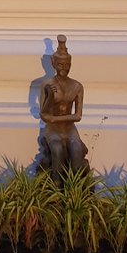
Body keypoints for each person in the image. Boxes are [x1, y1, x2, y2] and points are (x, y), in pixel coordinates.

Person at [39, 34, 88, 175]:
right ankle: (56, 183)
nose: (64, 69)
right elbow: (44, 115)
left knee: (76, 150)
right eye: (60, 64)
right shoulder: (47, 84)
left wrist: (55, 119)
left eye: (67, 65)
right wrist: (50, 98)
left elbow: (78, 116)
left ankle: (76, 184)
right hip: (52, 129)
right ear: (53, 63)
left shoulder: (77, 86)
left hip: (69, 128)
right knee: (57, 149)